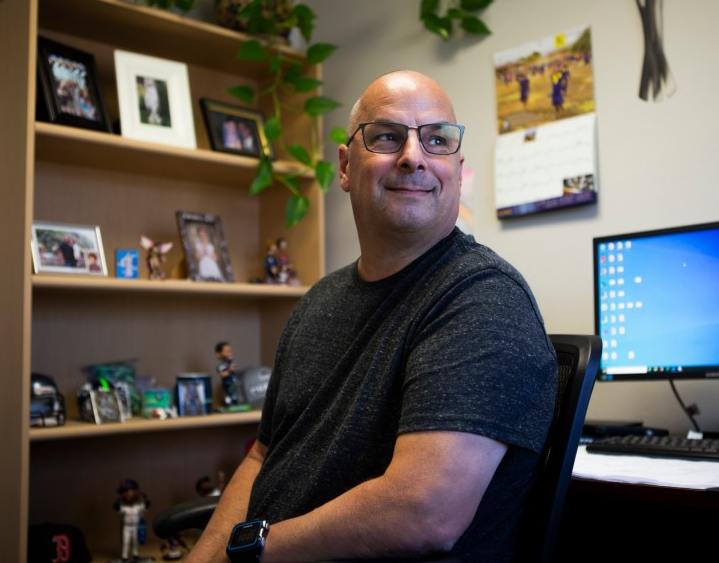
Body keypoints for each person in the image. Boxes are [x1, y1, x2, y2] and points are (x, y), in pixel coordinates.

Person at [185, 70, 557, 562]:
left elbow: (423, 512)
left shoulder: (482, 299)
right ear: (344, 166)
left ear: (457, 169)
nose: (412, 156)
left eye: (436, 140)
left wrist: (247, 552)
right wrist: (206, 557)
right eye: (387, 136)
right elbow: (264, 454)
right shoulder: (319, 302)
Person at [214, 341, 242, 407]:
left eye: (229, 351)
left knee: (236, 394)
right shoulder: (220, 365)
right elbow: (223, 374)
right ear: (219, 354)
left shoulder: (230, 362)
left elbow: (234, 368)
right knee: (229, 396)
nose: (229, 353)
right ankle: (230, 405)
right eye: (226, 351)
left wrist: (231, 362)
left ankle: (236, 404)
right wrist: (229, 370)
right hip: (227, 384)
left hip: (234, 382)